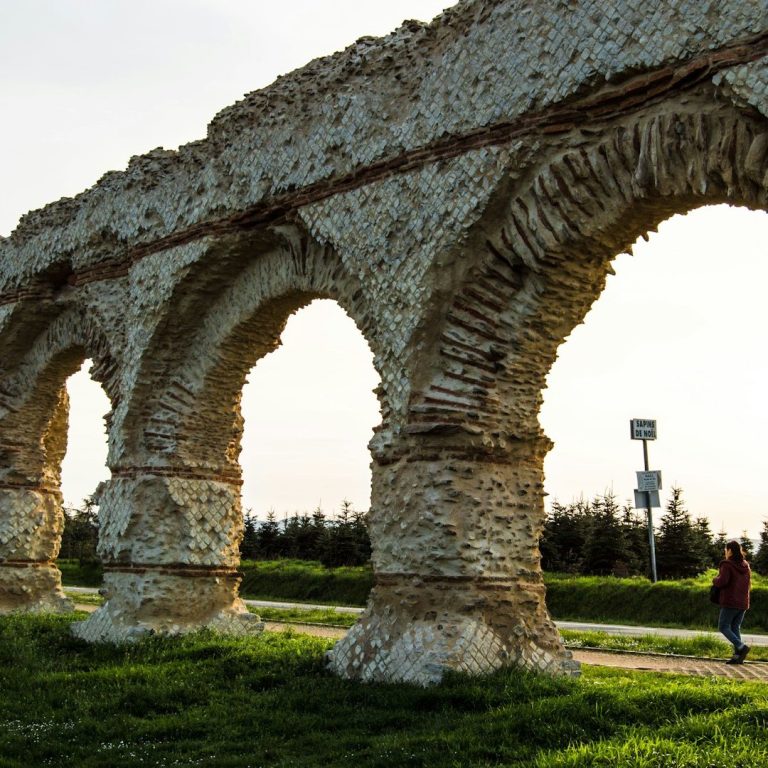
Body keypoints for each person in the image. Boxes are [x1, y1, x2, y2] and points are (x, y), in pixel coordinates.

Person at [712, 540, 752, 664]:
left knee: (723, 626)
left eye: (726, 550)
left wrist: (714, 579)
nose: (725, 552)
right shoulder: (745, 565)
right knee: (735, 627)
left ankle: (741, 646)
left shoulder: (727, 564)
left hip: (730, 602)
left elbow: (722, 581)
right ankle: (738, 657)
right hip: (743, 602)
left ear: (729, 550)